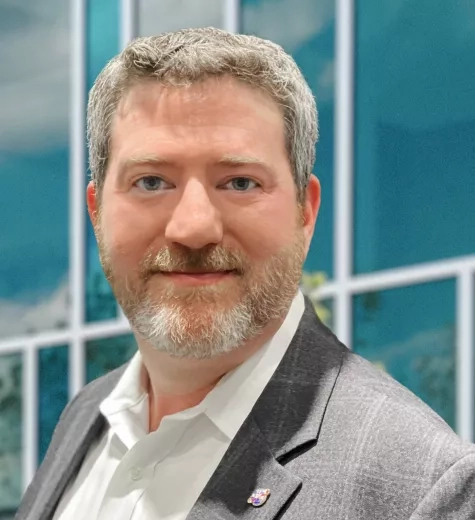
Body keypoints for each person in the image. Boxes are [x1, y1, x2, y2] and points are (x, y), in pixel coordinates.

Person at [16, 28, 475, 520]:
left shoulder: (420, 487)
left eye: (239, 182)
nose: (193, 228)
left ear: (305, 212)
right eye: (151, 181)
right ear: (97, 212)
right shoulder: (86, 414)